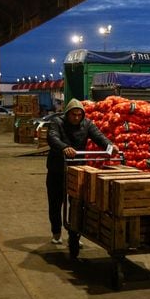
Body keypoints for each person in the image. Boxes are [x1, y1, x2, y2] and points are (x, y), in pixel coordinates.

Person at [45, 98, 116, 244]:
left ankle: (75, 232)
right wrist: (64, 147)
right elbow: (52, 137)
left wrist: (110, 147)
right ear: (67, 114)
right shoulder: (57, 123)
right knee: (55, 202)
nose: (76, 118)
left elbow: (99, 137)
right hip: (57, 169)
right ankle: (56, 232)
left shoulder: (87, 124)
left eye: (79, 115)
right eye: (73, 115)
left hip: (77, 169)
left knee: (77, 203)